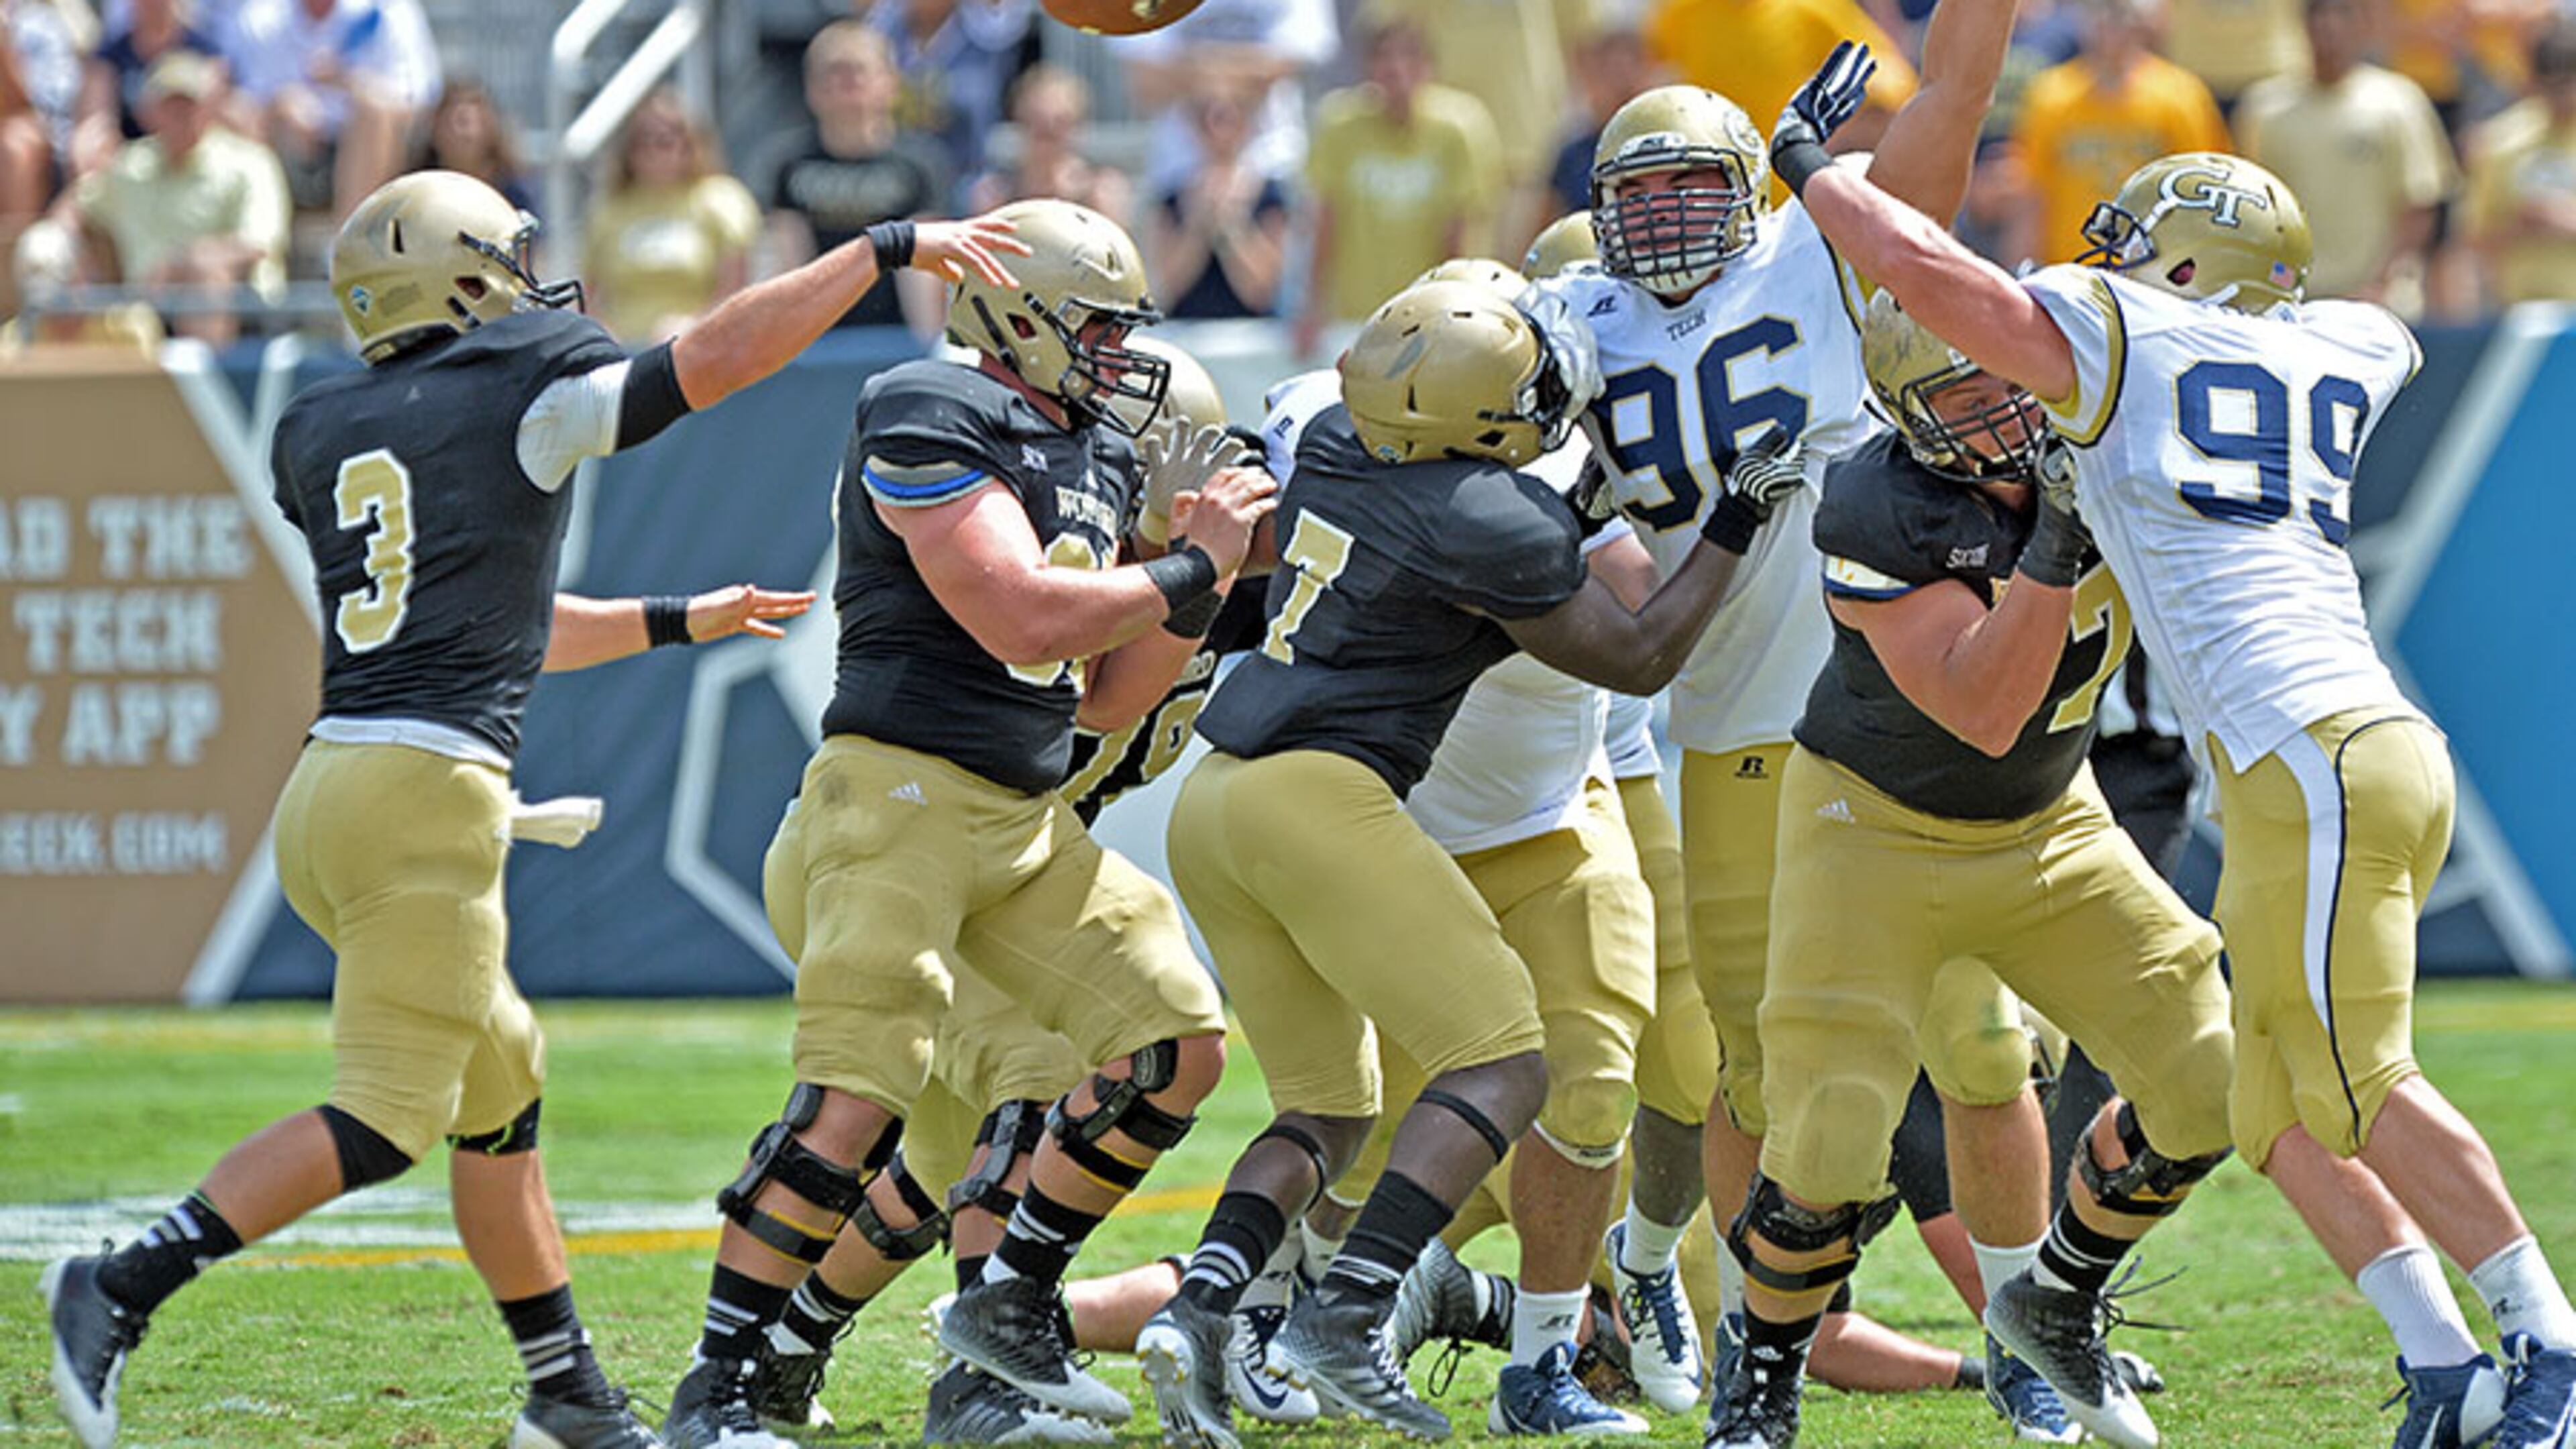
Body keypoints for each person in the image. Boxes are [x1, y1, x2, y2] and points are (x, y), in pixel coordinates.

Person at [35, 169, 1024, 1449]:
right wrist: (880, 248)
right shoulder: (522, 386)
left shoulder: (325, 428)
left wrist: (678, 619)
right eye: (502, 258)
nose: (530, 282)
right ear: (456, 276)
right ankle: (117, 1286)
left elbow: (500, 625)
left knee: (501, 1087)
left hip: (337, 788)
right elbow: (714, 358)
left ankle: (565, 1393)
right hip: (424, 806)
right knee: (388, 1117)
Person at [1775, 36, 2576, 1440]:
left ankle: (2549, 1347)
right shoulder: (2348, 344)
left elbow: (1935, 281)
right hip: (2315, 755)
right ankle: (2438, 1363)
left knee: (2354, 1079)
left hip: (2312, 747)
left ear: (2189, 270)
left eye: (2143, 245)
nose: (2111, 262)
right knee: (2266, 1094)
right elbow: (2337, 320)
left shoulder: (2128, 335)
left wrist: (1812, 176)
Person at [1136, 273, 1799, 1443]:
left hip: (1216, 801)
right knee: (1505, 1063)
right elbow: (1641, 656)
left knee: (1327, 1109)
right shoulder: (1489, 516)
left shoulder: (1340, 436)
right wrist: (1736, 520)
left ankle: (1201, 1307)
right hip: (1318, 798)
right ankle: (1351, 1311)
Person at [658, 197, 1273, 1449]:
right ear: (1016, 314)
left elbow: (1102, 697)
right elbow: (1021, 619)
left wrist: (1194, 597)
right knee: (861, 1103)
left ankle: (1007, 1309)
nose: (1117, 359)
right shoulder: (927, 405)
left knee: (1174, 1039)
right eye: (1096, 329)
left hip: (1020, 816)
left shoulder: (1099, 456)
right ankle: (717, 1389)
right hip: (896, 797)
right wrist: (1191, 571)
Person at [1529, 0, 2044, 1436]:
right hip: (1725, 737)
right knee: (1754, 1070)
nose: (1677, 220)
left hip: (1884, 707)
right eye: (1644, 195)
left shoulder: (1815, 244)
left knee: (1979, 1046)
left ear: (1754, 189)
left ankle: (2033, 1339)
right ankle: (1766, 1363)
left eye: (1705, 185)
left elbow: (1946, 110)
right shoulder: (1569, 314)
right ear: (1599, 211)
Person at [1713, 265, 2245, 1449]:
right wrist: (2059, 537)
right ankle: (1758, 1376)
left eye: (2014, 378)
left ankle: (2052, 1300)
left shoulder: (2120, 434)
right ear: (1908, 419)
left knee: (2214, 1077)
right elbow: (1984, 709)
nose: (2004, 411)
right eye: (1962, 398)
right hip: (1876, 828)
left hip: (2052, 821)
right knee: (1837, 1128)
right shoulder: (1877, 503)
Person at [45, 48, 288, 345]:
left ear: (209, 108)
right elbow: (77, 205)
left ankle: (208, 384)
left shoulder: (250, 163)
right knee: (43, 255)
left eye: (189, 105)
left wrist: (180, 264)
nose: (180, 116)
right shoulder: (130, 166)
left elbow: (259, 244)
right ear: (149, 114)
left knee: (204, 270)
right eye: (169, 106)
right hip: (146, 315)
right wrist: (61, 247)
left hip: (243, 315)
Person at [1295, 16, 1502, 358]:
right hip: (1356, 314)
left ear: (1429, 68)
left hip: (1429, 314)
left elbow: (1461, 229)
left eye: (1409, 59)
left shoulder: (1460, 127)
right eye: (1385, 60)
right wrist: (1313, 306)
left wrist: (1455, 309)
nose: (1397, 71)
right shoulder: (1340, 123)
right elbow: (1325, 219)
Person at [2233, 0, 2454, 310]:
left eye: (2341, 15)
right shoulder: (2265, 108)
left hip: (2380, 303)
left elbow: (2419, 203)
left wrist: (2379, 282)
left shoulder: (2398, 102)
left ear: (2362, 24)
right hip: (2294, 301)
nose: (2329, 27)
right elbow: (2256, 207)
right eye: (2319, 16)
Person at [760, 21, 949, 333]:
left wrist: (928, 347)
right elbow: (789, 264)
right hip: (820, 336)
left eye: (858, 72)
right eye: (833, 73)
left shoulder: (920, 164)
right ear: (811, 87)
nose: (847, 84)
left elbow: (925, 266)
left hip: (898, 333)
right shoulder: (789, 164)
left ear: (890, 82)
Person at [2012, 0, 2229, 264]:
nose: (2109, 28)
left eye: (2120, 16)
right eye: (2099, 14)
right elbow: (2032, 195)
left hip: (2151, 269)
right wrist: (2022, 266)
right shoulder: (2052, 93)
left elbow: (2200, 194)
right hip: (2070, 269)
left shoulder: (2181, 96)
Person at [217, 0, 441, 216]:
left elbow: (417, 100)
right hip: (287, 146)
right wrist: (281, 105)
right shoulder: (260, 17)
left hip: (370, 147)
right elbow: (244, 99)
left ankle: (350, 241)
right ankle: (257, 233)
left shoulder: (391, 12)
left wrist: (348, 80)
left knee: (374, 112)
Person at [584, 86, 761, 342]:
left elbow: (736, 291)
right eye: (642, 141)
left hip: (699, 346)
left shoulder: (721, 200)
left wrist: (695, 325)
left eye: (665, 141)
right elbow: (588, 294)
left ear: (690, 143)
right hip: (624, 349)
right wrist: (602, 334)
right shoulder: (611, 207)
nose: (654, 152)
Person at [1146, 76, 1289, 320]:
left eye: (1227, 118)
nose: (1217, 129)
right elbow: (1169, 287)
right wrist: (1198, 226)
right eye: (1207, 118)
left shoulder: (1271, 195)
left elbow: (1260, 291)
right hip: (1188, 333)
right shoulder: (1172, 197)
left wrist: (1231, 226)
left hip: (1252, 337)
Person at [409, 76, 535, 217]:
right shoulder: (416, 189)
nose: (461, 133)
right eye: (452, 122)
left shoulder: (513, 188)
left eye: (467, 122)